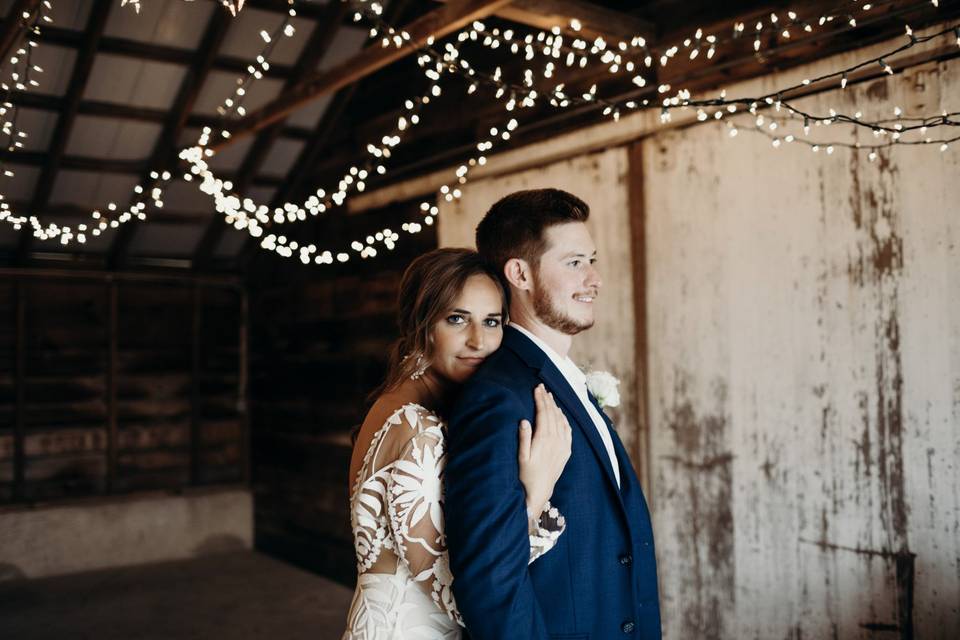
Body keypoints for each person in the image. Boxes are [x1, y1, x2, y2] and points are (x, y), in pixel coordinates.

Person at [445, 189, 662, 639]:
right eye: (575, 262)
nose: (594, 278)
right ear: (520, 273)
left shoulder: (561, 379)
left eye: (592, 260)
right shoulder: (500, 396)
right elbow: (490, 581)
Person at [343, 248, 573, 639]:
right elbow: (459, 593)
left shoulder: (398, 405)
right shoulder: (417, 428)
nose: (478, 341)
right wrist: (535, 494)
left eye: (492, 321)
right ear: (423, 324)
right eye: (457, 319)